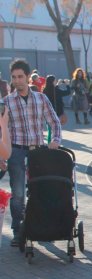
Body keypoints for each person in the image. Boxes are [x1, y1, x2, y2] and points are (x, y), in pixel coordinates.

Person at [5, 59, 61, 247]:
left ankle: (41, 226)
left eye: (20, 77)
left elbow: (54, 121)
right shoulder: (6, 103)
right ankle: (18, 230)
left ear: (28, 78)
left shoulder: (41, 98)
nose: (17, 81)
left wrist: (55, 141)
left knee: (41, 189)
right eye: (14, 77)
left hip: (38, 151)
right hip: (16, 151)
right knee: (18, 193)